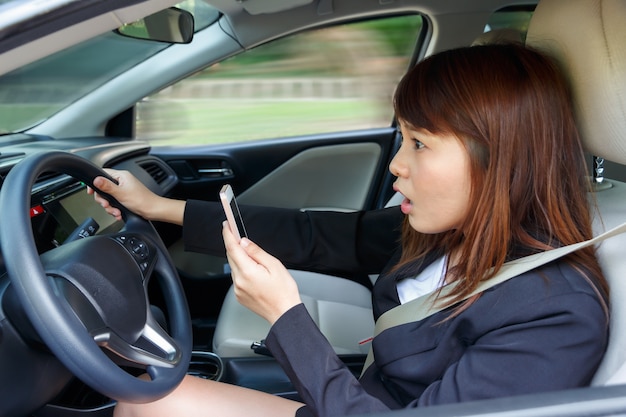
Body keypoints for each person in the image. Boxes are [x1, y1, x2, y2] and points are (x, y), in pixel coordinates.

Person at [89, 43, 609, 417]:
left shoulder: (554, 311)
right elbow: (315, 235)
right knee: (147, 398)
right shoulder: (454, 233)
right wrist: (161, 208)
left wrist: (284, 316)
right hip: (351, 400)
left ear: (501, 161)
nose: (397, 166)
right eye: (401, 140)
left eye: (420, 144)